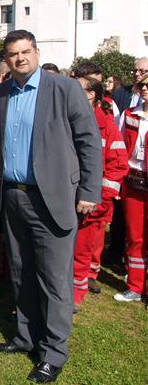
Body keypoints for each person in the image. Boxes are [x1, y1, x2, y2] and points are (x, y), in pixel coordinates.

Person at [0, 30, 102, 384]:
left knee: (54, 279)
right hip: (13, 195)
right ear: (6, 59)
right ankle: (26, 336)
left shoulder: (64, 89)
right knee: (21, 271)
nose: (20, 58)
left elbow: (89, 141)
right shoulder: (5, 91)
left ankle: (53, 351)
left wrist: (89, 190)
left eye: (25, 52)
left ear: (36, 52)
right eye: (13, 54)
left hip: (51, 197)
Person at [71, 77, 128, 307]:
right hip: (65, 198)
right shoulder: (66, 120)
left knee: (81, 252)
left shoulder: (107, 125)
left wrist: (98, 198)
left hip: (91, 204)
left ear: (93, 94)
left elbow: (117, 166)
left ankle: (75, 296)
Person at [116, 73, 148, 303]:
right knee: (135, 236)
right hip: (133, 182)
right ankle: (135, 286)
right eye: (142, 85)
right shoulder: (129, 115)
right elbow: (119, 148)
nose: (145, 88)